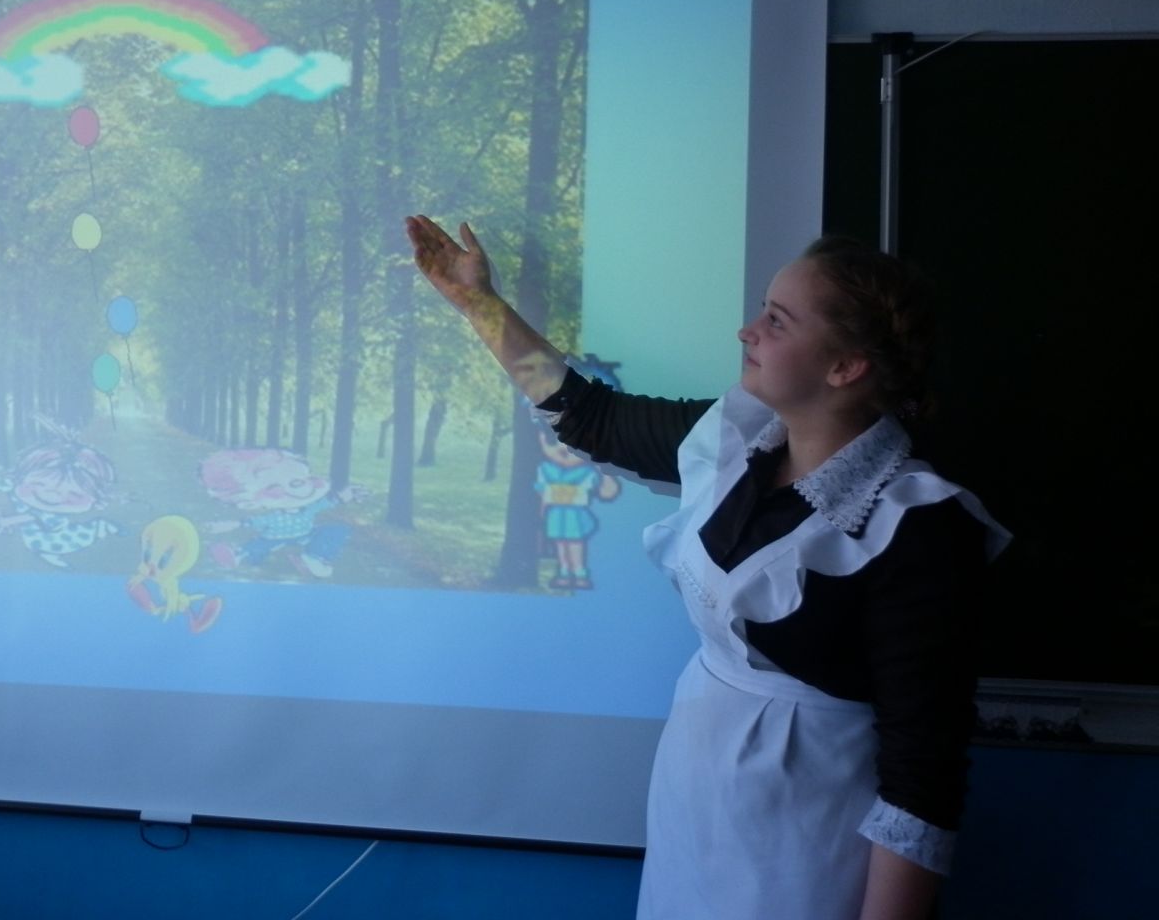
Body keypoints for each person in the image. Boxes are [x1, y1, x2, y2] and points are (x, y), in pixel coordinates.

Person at [403, 215, 1009, 920]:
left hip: (807, 837)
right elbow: (588, 413)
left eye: (776, 321)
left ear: (845, 367)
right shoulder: (736, 442)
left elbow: (923, 778)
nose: (747, 331)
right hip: (695, 802)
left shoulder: (918, 525)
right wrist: (480, 305)